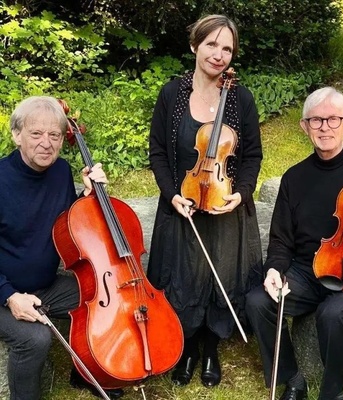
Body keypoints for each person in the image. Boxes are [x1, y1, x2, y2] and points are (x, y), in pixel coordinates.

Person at [245, 87, 343, 400]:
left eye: (333, 119)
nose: (325, 127)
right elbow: (281, 239)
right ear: (304, 126)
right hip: (306, 270)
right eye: (316, 121)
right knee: (257, 301)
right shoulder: (293, 178)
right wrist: (275, 268)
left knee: (334, 313)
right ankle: (293, 378)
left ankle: (332, 393)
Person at [148, 14, 264, 388]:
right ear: (195, 45)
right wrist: (173, 194)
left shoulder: (240, 99)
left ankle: (211, 345)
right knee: (182, 276)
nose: (219, 54)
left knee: (221, 275)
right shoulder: (172, 94)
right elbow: (158, 153)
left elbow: (252, 158)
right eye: (212, 44)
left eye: (227, 48)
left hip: (224, 207)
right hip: (182, 204)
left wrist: (240, 194)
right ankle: (188, 347)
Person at [0, 96, 124, 399]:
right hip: (3, 294)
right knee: (35, 339)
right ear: (16, 135)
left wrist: (89, 196)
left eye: (54, 135)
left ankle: (86, 371)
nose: (47, 143)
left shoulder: (60, 172)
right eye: (36, 134)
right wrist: (10, 296)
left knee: (101, 293)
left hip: (44, 287)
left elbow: (72, 227)